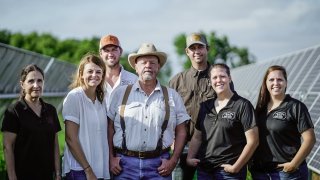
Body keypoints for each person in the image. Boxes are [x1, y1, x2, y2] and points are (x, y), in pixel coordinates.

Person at [107, 43, 190, 179]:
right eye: (143, 63)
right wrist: (111, 158)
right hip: (124, 166)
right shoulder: (120, 94)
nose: (148, 66)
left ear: (158, 67)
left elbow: (181, 130)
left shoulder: (172, 96)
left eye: (152, 63)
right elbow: (109, 127)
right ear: (136, 67)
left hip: (159, 166)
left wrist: (173, 160)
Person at [186, 63, 259, 179]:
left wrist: (236, 167)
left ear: (229, 78)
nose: (218, 80)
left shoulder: (242, 105)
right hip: (205, 170)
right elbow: (197, 137)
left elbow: (253, 141)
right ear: (210, 81)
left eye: (222, 76)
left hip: (229, 172)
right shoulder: (205, 106)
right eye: (214, 77)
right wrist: (189, 157)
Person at [250, 65, 316, 180]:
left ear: (286, 83)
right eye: (271, 80)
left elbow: (310, 139)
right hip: (261, 173)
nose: (276, 83)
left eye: (280, 79)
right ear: (266, 83)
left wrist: (293, 164)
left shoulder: (295, 107)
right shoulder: (260, 109)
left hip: (287, 173)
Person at [1, 64, 61, 180]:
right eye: (31, 81)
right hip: (23, 175)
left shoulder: (50, 110)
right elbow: (7, 147)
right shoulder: (14, 111)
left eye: (40, 81)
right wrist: (12, 177)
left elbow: (55, 144)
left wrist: (58, 173)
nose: (36, 85)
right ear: (22, 84)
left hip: (46, 175)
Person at [169, 32, 216, 179]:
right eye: (192, 48)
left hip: (211, 146)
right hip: (182, 145)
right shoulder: (177, 81)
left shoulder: (219, 77)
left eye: (200, 47)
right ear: (187, 52)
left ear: (207, 49)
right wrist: (171, 141)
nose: (197, 51)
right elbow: (168, 114)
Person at [62, 54, 110, 180]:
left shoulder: (102, 100)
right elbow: (70, 138)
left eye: (98, 72)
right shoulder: (74, 97)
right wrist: (88, 170)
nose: (94, 75)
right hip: (80, 171)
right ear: (81, 74)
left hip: (99, 170)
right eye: (90, 71)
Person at [99, 34, 137, 107]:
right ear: (101, 54)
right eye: (106, 51)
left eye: (114, 50)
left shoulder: (134, 80)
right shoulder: (95, 79)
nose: (110, 54)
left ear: (121, 52)